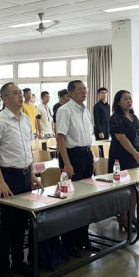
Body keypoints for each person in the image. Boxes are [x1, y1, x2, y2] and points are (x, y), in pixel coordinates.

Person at [0, 82, 42, 277]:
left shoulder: (25, 119)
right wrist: (0, 181)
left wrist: (32, 173)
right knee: (8, 224)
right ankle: (4, 267)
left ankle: (18, 262)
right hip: (8, 176)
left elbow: (27, 148)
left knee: (22, 222)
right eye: (16, 93)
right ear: (5, 98)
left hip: (25, 175)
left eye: (20, 93)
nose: (21, 96)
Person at [56, 80, 100, 256]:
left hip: (86, 154)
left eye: (85, 89)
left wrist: (91, 157)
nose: (84, 92)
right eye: (80, 89)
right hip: (72, 156)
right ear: (70, 93)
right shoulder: (65, 110)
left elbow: (87, 135)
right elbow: (60, 138)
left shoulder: (85, 110)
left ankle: (83, 239)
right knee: (72, 201)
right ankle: (69, 243)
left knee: (86, 199)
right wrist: (67, 164)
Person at [108, 90, 139, 231]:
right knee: (123, 188)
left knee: (134, 188)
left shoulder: (133, 117)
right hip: (121, 156)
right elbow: (121, 138)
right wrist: (135, 153)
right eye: (125, 99)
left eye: (130, 98)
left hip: (135, 155)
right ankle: (123, 217)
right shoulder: (116, 118)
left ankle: (132, 216)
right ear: (118, 102)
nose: (129, 101)